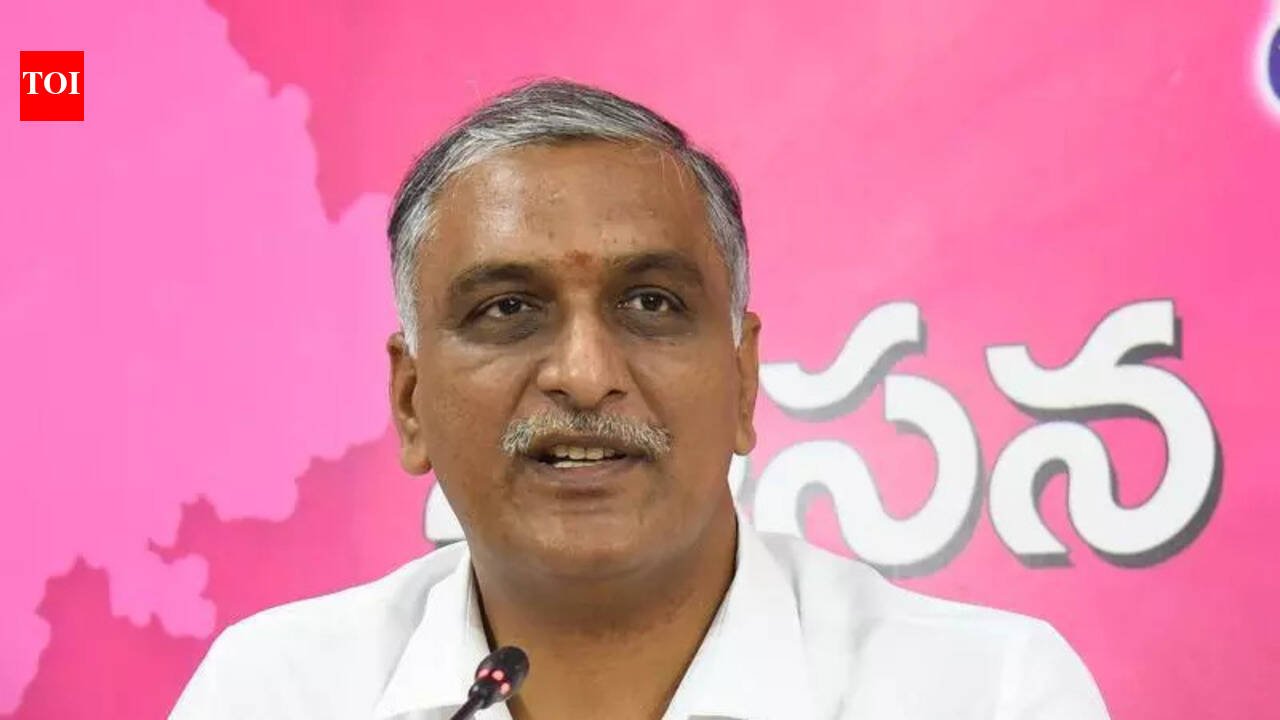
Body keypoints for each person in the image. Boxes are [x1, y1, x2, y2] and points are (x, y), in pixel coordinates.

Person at [172, 80, 1110, 719]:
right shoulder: (275, 693)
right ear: (411, 403)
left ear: (744, 382)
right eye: (508, 309)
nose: (585, 374)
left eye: (651, 304)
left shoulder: (986, 692)